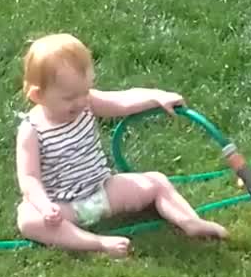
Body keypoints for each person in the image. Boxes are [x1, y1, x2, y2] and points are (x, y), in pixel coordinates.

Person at [15, 33, 228, 257]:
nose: (80, 102)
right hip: (64, 207)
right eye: (69, 98)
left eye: (85, 92)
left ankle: (191, 222)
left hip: (103, 190)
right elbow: (29, 179)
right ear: (37, 95)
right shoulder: (32, 131)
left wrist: (156, 97)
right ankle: (97, 243)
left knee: (156, 182)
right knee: (29, 220)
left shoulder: (87, 103)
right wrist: (45, 206)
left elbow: (121, 101)